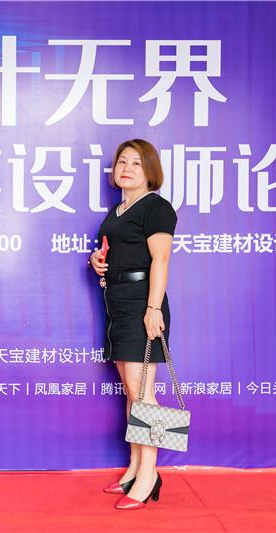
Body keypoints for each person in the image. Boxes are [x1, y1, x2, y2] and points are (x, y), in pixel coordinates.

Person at [88, 139, 177, 510]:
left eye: (136, 163)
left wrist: (153, 308)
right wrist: (97, 260)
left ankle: (149, 475)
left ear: (150, 171)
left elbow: (161, 260)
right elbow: (118, 251)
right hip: (119, 304)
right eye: (122, 161)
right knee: (132, 393)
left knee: (143, 394)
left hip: (142, 303)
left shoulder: (156, 207)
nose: (126, 168)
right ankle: (136, 468)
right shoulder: (119, 210)